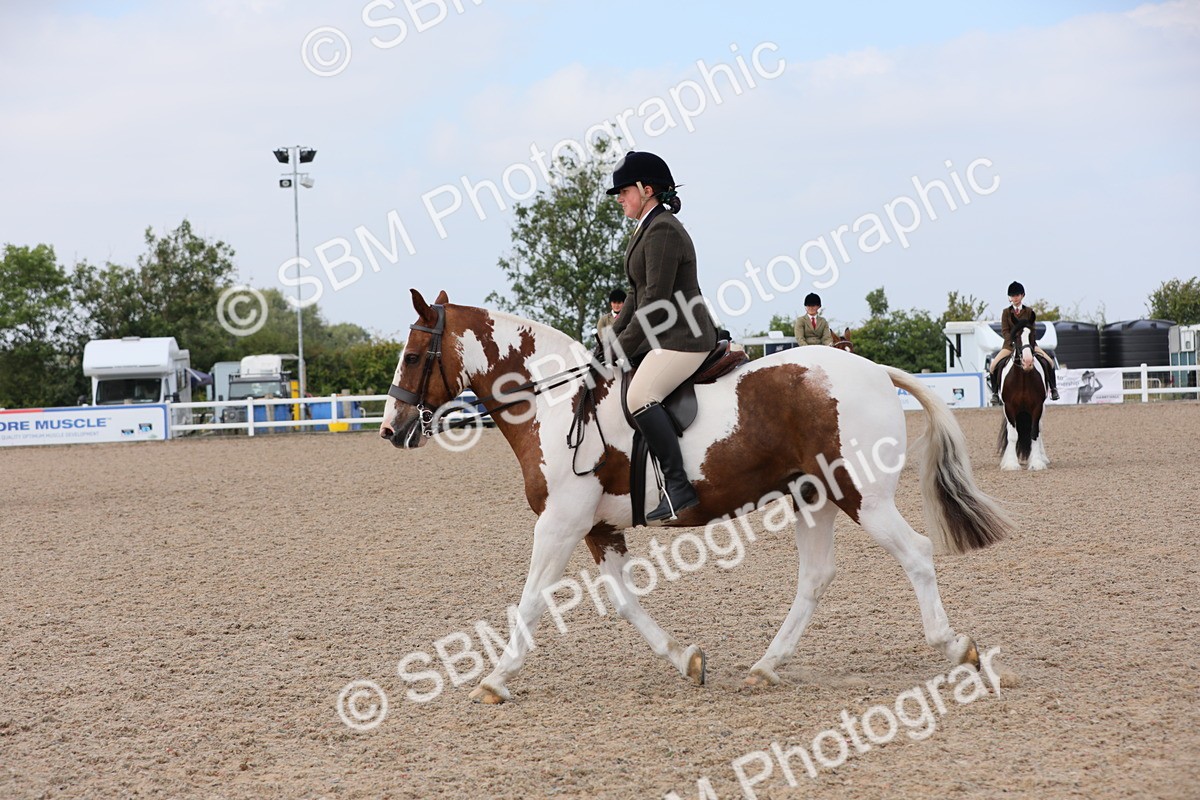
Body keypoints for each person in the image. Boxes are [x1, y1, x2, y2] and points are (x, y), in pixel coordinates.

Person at [606, 150, 718, 521]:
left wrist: (621, 349)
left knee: (640, 394)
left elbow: (654, 301)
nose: (620, 198)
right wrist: (608, 343)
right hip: (666, 336)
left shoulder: (664, 230)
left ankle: (678, 487)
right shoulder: (647, 229)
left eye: (624, 191)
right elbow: (636, 296)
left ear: (646, 189)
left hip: (685, 336)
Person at [988, 281, 1059, 402]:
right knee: (993, 366)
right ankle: (995, 393)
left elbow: (1033, 330)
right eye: (1012, 296)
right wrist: (1014, 342)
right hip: (1010, 346)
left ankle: (1053, 389)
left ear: (1022, 296)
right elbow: (1005, 331)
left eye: (1017, 295)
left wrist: (1028, 342)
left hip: (1029, 344)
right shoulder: (1006, 312)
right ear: (1010, 297)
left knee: (1049, 362)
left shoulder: (1029, 311)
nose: (1015, 298)